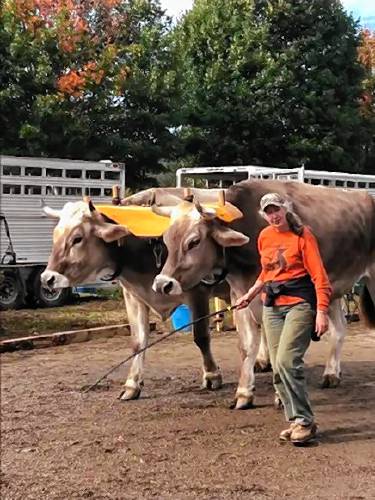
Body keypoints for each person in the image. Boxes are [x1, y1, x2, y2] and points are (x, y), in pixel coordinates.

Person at [236, 192, 332, 445]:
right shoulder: (265, 237)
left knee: (288, 361)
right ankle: (295, 420)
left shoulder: (303, 236)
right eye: (268, 211)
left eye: (276, 209)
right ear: (263, 214)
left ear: (286, 209)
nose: (273, 215)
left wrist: (322, 311)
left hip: (299, 303)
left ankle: (305, 421)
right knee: (277, 367)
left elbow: (319, 277)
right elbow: (267, 272)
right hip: (272, 306)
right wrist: (250, 294)